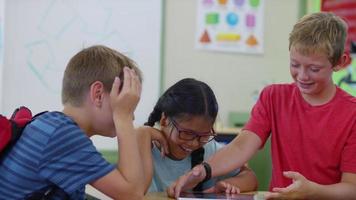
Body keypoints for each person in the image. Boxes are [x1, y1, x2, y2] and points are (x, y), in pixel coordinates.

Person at [168, 12, 356, 199]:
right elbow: (241, 147)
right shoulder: (273, 97)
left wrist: (314, 192)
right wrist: (202, 171)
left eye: (314, 69)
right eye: (295, 64)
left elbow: (352, 188)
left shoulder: (352, 113)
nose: (302, 75)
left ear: (341, 62)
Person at [0, 45, 146, 199]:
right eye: (126, 104)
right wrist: (123, 117)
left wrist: (144, 133)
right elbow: (133, 195)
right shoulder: (62, 134)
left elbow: (135, 189)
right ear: (98, 95)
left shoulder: (53, 126)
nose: (132, 116)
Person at [136, 78, 258, 195]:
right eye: (187, 133)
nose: (194, 143)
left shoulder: (210, 149)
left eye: (204, 135)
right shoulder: (143, 147)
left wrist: (226, 184)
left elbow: (250, 178)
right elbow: (133, 193)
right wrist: (142, 135)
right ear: (164, 120)